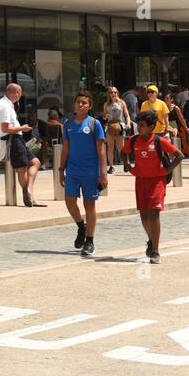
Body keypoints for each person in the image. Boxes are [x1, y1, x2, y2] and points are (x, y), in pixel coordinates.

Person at [122, 109, 179, 264]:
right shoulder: (133, 140)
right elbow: (123, 152)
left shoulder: (159, 142)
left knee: (154, 213)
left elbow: (179, 155)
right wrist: (127, 164)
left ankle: (155, 250)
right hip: (140, 181)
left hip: (157, 181)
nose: (139, 128)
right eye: (138, 125)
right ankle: (151, 240)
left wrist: (168, 169)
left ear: (151, 127)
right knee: (144, 215)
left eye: (142, 125)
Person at [59, 90, 107, 258]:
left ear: (90, 106)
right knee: (69, 201)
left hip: (90, 171)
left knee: (89, 205)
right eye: (78, 101)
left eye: (84, 102)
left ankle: (90, 240)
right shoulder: (68, 124)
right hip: (72, 170)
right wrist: (60, 169)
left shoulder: (95, 124)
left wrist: (103, 172)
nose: (80, 105)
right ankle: (81, 226)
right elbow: (65, 148)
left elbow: (101, 150)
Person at [0, 82, 44, 207]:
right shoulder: (4, 106)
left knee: (35, 162)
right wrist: (22, 128)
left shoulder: (8, 104)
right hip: (13, 139)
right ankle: (28, 195)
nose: (20, 96)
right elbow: (5, 128)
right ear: (16, 93)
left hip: (17, 138)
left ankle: (29, 190)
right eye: (20, 93)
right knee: (22, 167)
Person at [101, 87, 131, 174]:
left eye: (115, 92)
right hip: (110, 126)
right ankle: (111, 166)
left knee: (121, 147)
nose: (113, 94)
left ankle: (125, 163)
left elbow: (127, 114)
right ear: (109, 94)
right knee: (110, 146)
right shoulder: (106, 104)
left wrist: (128, 123)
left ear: (117, 93)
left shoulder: (122, 103)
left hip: (120, 125)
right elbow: (104, 116)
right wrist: (105, 117)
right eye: (111, 92)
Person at [164, 88, 189, 156]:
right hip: (166, 126)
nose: (165, 100)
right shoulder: (163, 107)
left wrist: (186, 127)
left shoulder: (176, 108)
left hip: (175, 126)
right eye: (165, 98)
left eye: (167, 98)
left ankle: (179, 154)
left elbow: (181, 118)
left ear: (171, 99)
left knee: (177, 141)